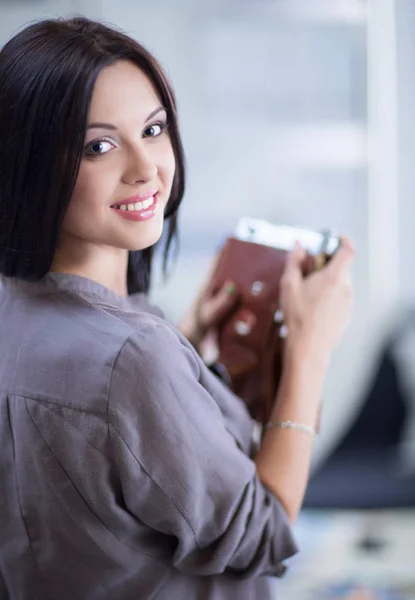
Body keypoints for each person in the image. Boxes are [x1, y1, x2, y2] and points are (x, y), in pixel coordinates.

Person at [0, 16, 354, 600]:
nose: (146, 168)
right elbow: (262, 535)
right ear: (30, 164)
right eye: (99, 145)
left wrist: (190, 352)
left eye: (154, 128)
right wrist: (310, 353)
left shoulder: (24, 316)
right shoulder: (133, 359)